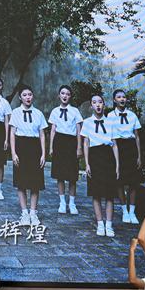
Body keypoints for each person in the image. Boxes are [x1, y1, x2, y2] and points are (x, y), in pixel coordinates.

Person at [80, 94, 120, 237]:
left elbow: (114, 144)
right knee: (96, 193)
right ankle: (100, 224)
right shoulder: (87, 122)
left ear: (104, 104)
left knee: (109, 194)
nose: (98, 105)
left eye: (100, 102)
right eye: (94, 102)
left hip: (108, 156)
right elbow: (86, 143)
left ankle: (109, 224)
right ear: (91, 106)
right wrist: (87, 164)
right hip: (94, 156)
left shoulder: (110, 122)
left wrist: (117, 165)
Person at [9, 87, 48, 227]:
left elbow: (42, 134)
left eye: (30, 94)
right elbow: (12, 133)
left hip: (34, 148)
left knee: (35, 183)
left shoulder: (38, 113)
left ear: (33, 96)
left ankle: (33, 212)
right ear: (20, 97)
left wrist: (43, 153)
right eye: (24, 95)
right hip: (21, 147)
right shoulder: (15, 112)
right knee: (21, 182)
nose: (27, 97)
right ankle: (24, 213)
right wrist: (13, 153)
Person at [106, 89, 141, 224]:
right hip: (117, 148)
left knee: (133, 182)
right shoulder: (110, 116)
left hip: (131, 148)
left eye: (124, 97)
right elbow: (109, 136)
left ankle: (132, 211)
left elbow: (137, 137)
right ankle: (124, 211)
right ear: (114, 100)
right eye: (119, 97)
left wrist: (139, 156)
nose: (122, 99)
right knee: (119, 181)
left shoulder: (132, 115)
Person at [48, 86, 82, 215]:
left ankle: (72, 203)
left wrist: (79, 147)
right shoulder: (55, 111)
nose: (65, 96)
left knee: (72, 176)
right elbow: (53, 130)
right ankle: (62, 202)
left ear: (70, 96)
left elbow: (78, 130)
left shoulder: (75, 111)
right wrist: (51, 147)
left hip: (71, 142)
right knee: (60, 174)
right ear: (59, 95)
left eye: (67, 94)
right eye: (62, 93)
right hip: (59, 142)